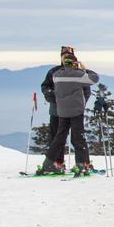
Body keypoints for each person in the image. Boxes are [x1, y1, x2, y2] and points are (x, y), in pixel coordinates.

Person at [40, 51, 100, 175]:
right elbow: (95, 78)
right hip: (76, 110)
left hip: (61, 111)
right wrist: (84, 68)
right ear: (74, 63)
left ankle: (48, 163)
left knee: (59, 137)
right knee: (78, 137)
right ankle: (82, 163)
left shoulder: (56, 75)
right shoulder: (78, 75)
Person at [37, 45, 74, 173]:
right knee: (55, 137)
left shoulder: (77, 72)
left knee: (71, 137)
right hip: (56, 110)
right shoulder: (53, 71)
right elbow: (45, 86)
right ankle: (56, 162)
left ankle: (61, 163)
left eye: (68, 55)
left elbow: (85, 90)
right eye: (64, 55)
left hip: (72, 110)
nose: (65, 58)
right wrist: (52, 96)